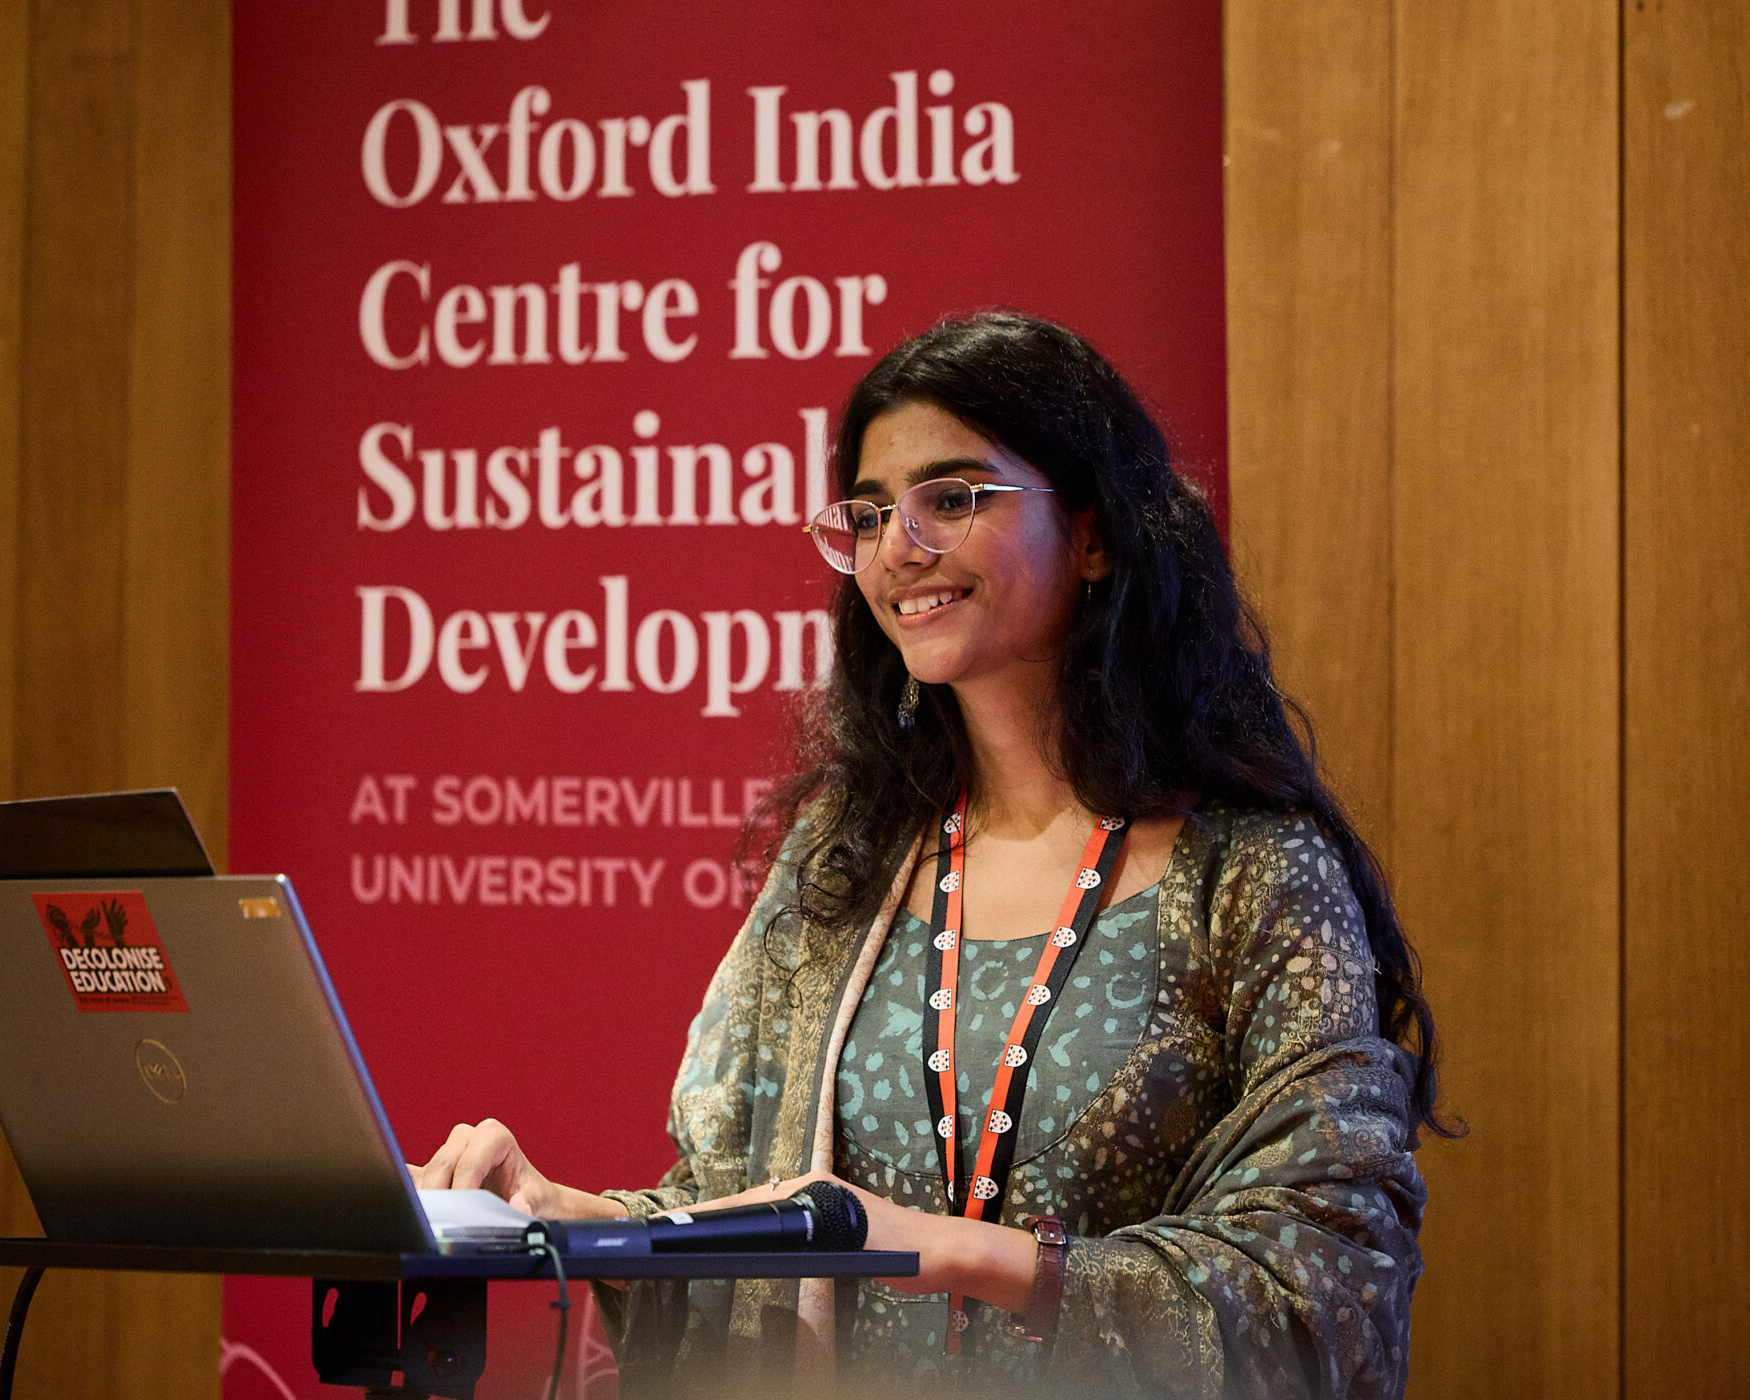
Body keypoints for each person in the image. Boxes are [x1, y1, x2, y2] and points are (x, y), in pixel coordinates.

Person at [412, 311, 1450, 1399]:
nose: (899, 547)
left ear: (1094, 533)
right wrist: (562, 1216)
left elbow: (1324, 1288)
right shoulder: (846, 864)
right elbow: (736, 1228)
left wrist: (932, 1244)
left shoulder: (1256, 874)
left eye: (952, 497)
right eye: (867, 514)